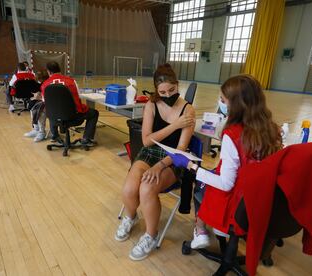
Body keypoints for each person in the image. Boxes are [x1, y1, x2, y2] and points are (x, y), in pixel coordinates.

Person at [166, 74, 282, 248]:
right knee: (210, 175)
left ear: (236, 105)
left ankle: (201, 230)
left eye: (223, 100)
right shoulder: (272, 129)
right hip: (261, 197)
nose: (221, 104)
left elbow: (226, 184)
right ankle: (211, 228)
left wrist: (191, 166)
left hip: (238, 202)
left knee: (200, 183)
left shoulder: (233, 135)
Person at [115, 63, 195, 261]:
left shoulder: (188, 110)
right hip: (149, 152)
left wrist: (160, 166)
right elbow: (146, 140)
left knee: (147, 188)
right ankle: (131, 217)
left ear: (177, 85)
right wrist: (175, 125)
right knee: (129, 189)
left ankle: (151, 235)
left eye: (172, 90)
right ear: (156, 90)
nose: (167, 95)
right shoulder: (151, 104)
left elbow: (181, 150)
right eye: (162, 92)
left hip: (173, 159)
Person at [41, 61, 99, 146]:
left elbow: (46, 102)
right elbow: (78, 97)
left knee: (52, 108)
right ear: (60, 70)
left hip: (55, 118)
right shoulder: (71, 81)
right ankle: (87, 139)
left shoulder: (44, 85)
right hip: (73, 117)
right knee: (94, 113)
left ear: (48, 71)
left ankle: (55, 135)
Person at [24, 70, 49, 142]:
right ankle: (36, 129)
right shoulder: (41, 84)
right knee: (33, 107)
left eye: (39, 79)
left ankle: (42, 132)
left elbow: (46, 98)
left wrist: (39, 97)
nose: (38, 81)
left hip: (50, 104)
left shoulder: (47, 84)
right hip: (43, 101)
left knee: (40, 110)